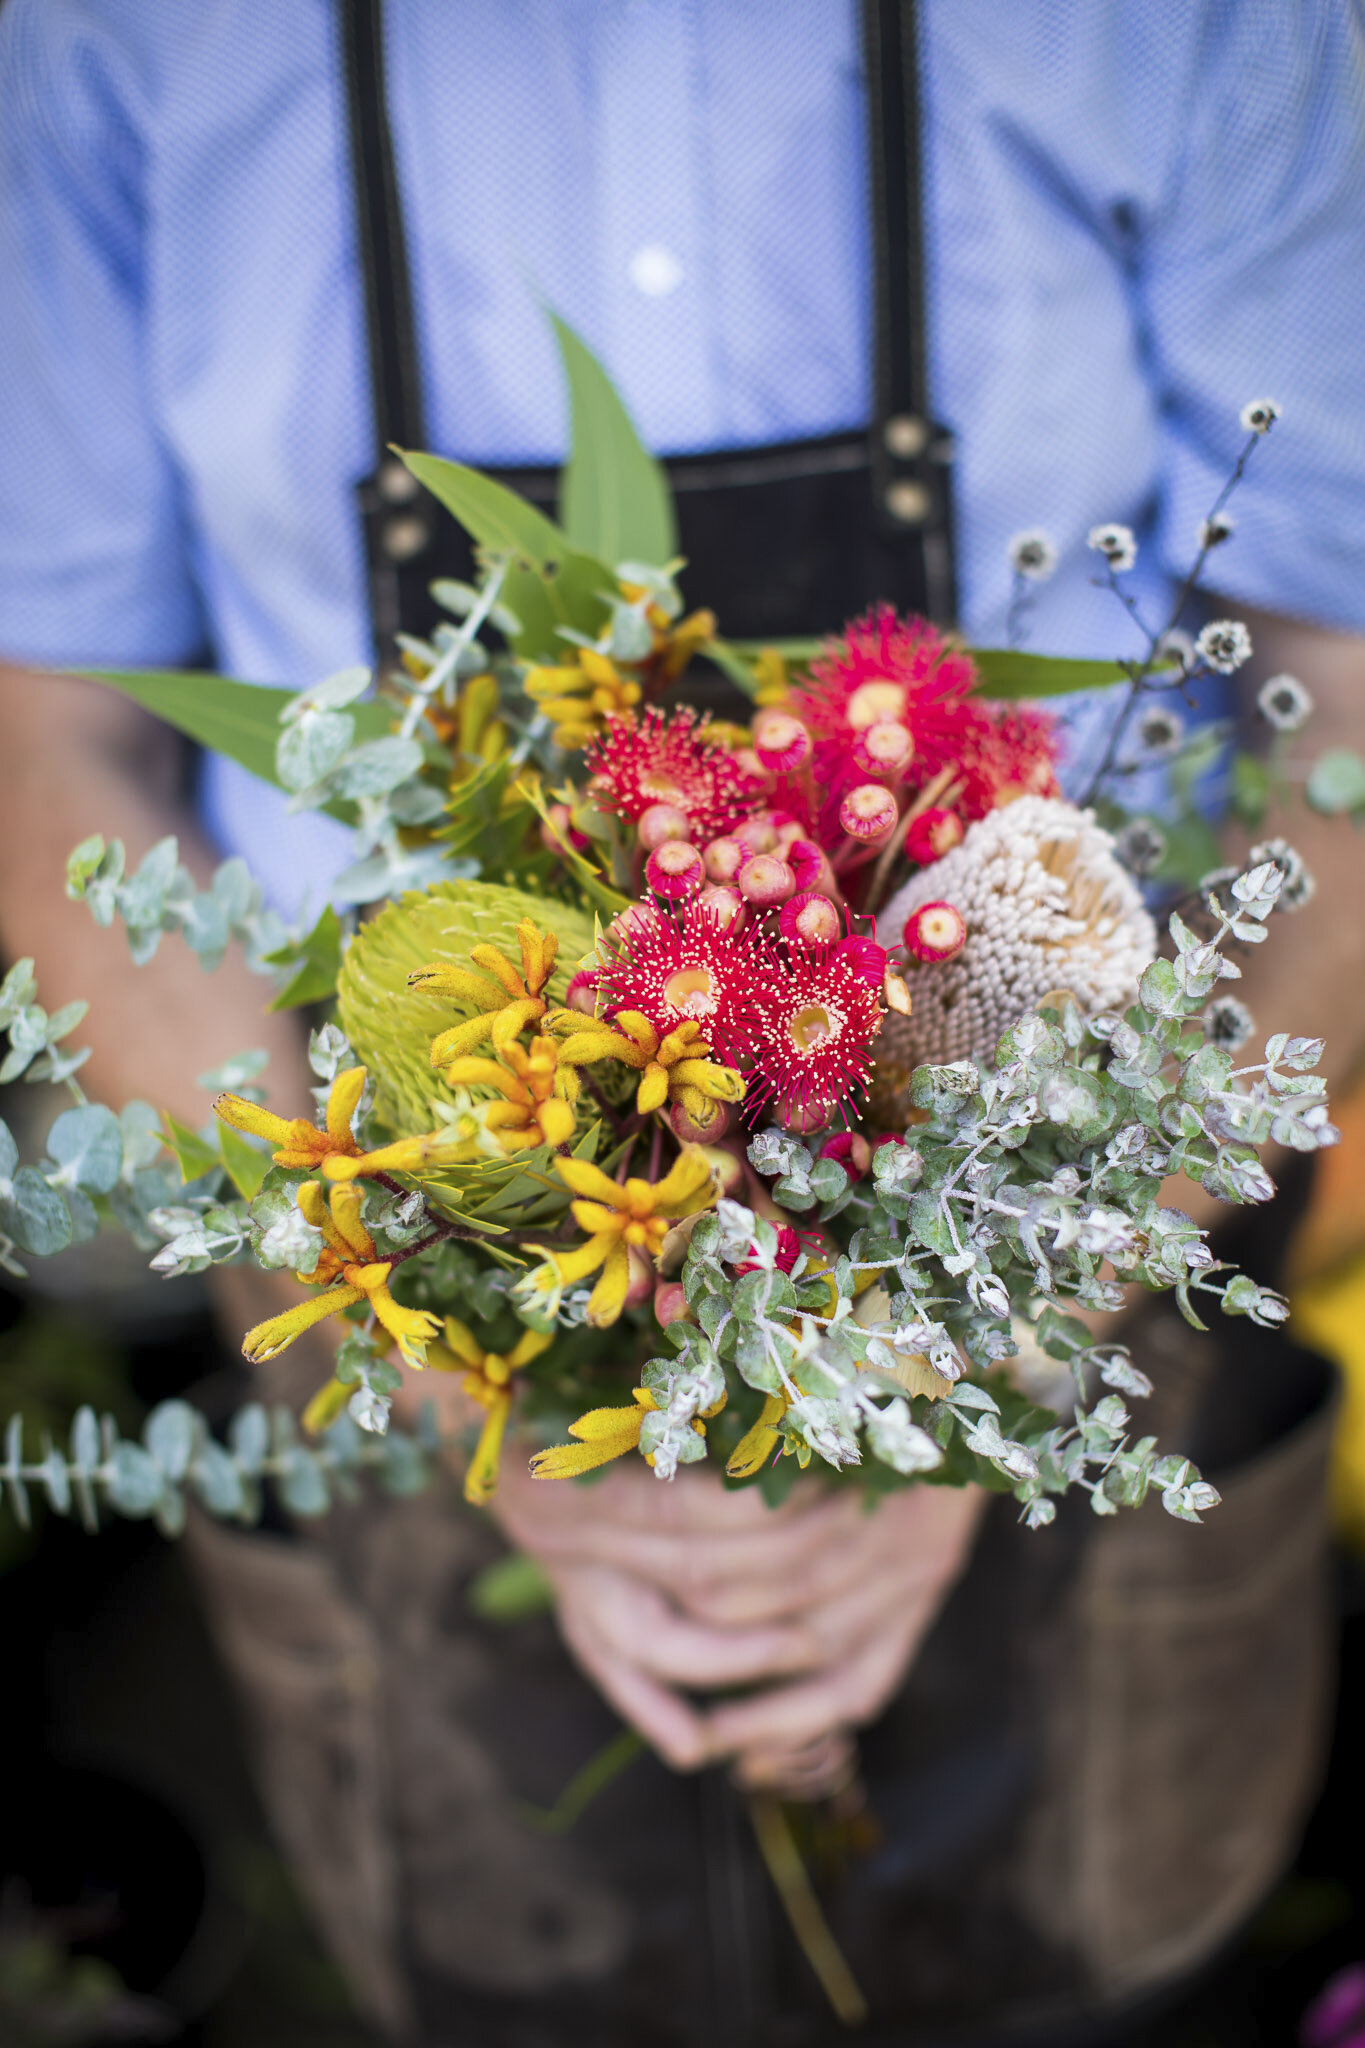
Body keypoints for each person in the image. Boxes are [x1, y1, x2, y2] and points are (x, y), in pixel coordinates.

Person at [1, 3, 1363, 2040]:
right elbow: (52, 728)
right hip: (398, 1275)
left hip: (1087, 1277)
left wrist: (976, 1359)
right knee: (503, 1973)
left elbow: (1333, 663)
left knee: (1094, 1960)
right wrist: (472, 1369)